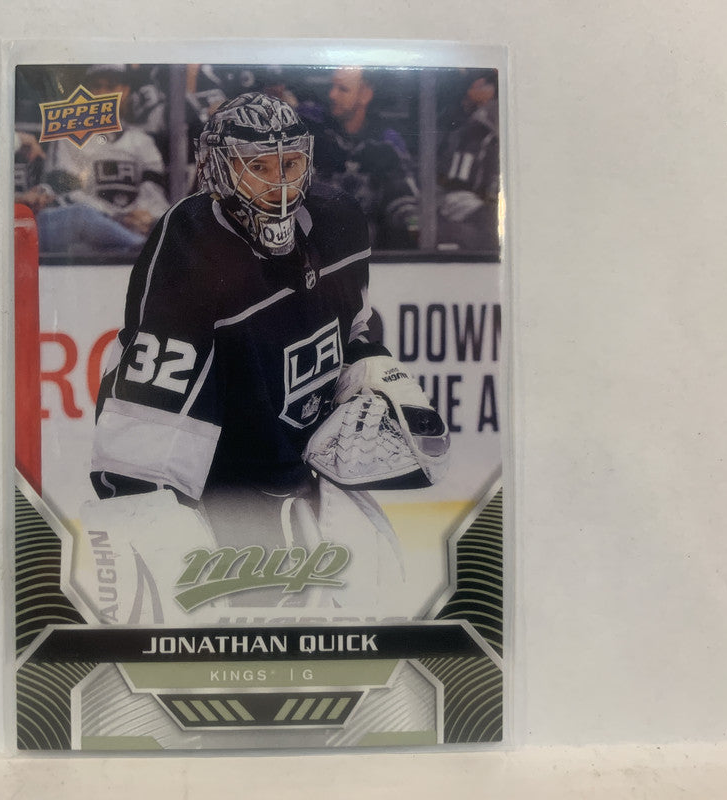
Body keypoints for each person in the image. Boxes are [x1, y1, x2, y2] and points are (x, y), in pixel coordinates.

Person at [78, 92, 449, 623]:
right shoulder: (192, 242)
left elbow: (354, 329)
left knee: (364, 618)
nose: (279, 184)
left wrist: (373, 376)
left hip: (307, 481)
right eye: (258, 167)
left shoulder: (338, 219)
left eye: (290, 164)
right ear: (220, 169)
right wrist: (143, 513)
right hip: (223, 497)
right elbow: (152, 401)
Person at [24, 64, 170, 259]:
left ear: (125, 91)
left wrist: (144, 216)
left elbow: (154, 192)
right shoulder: (68, 136)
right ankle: (144, 250)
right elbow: (68, 194)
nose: (103, 94)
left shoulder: (142, 141)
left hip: (132, 229)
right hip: (84, 238)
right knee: (80, 216)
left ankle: (140, 247)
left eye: (111, 87)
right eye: (96, 86)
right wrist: (117, 217)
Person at [303, 67, 420, 250]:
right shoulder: (312, 133)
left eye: (343, 89)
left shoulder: (386, 143)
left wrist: (412, 227)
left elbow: (405, 204)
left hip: (370, 248)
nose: (332, 95)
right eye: (332, 86)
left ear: (365, 95)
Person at [437, 71, 501, 254]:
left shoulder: (488, 126)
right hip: (472, 216)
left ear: (480, 84)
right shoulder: (465, 130)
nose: (464, 97)